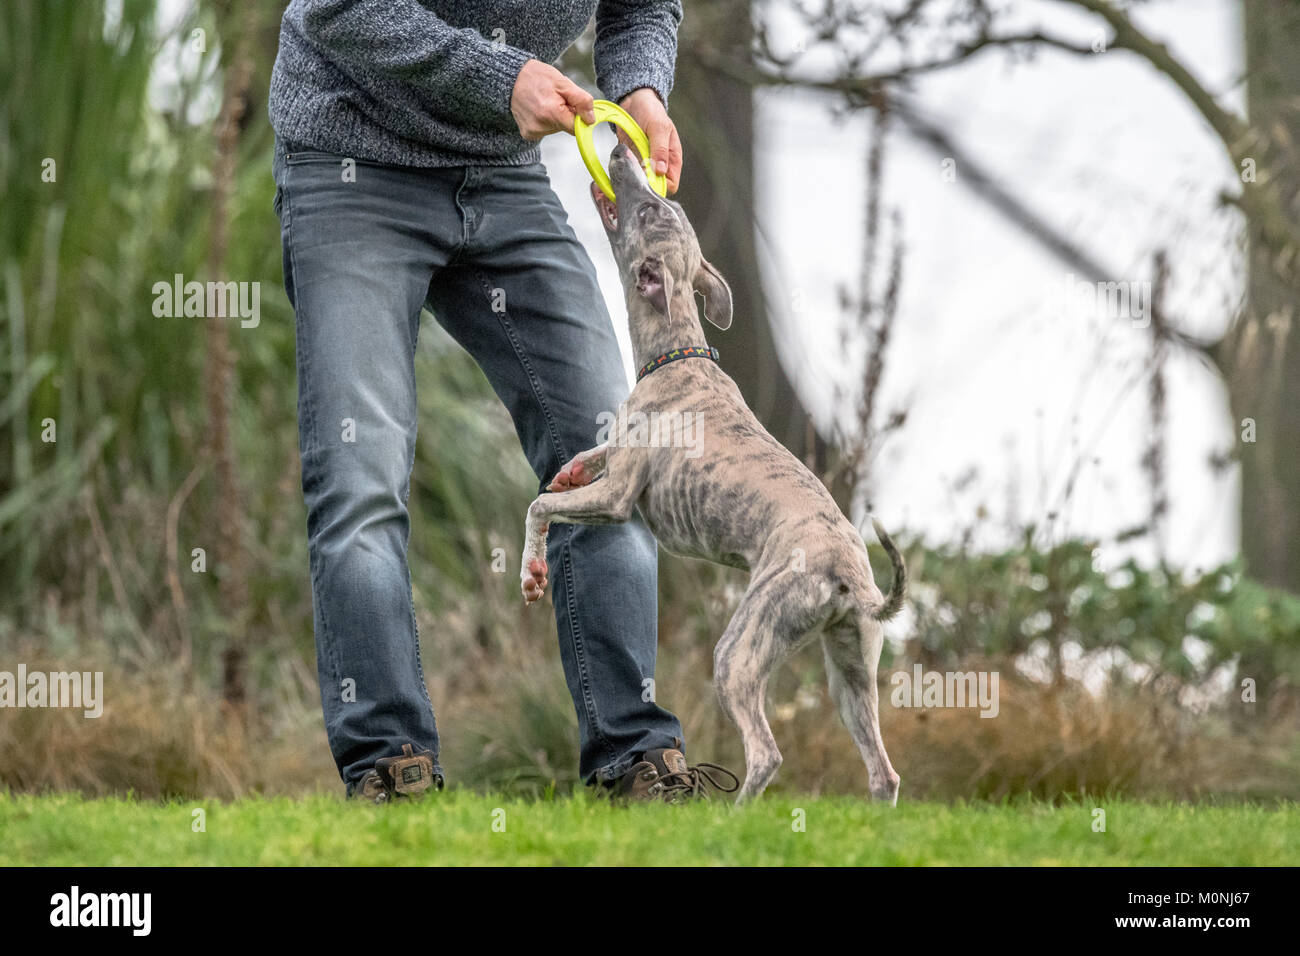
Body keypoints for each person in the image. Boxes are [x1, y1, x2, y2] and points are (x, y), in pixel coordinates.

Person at [268, 0, 725, 802]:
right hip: (350, 166)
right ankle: (391, 767)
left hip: (505, 174)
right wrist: (498, 75)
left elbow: (640, 7)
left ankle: (635, 764)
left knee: (609, 460)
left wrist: (642, 87)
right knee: (359, 478)